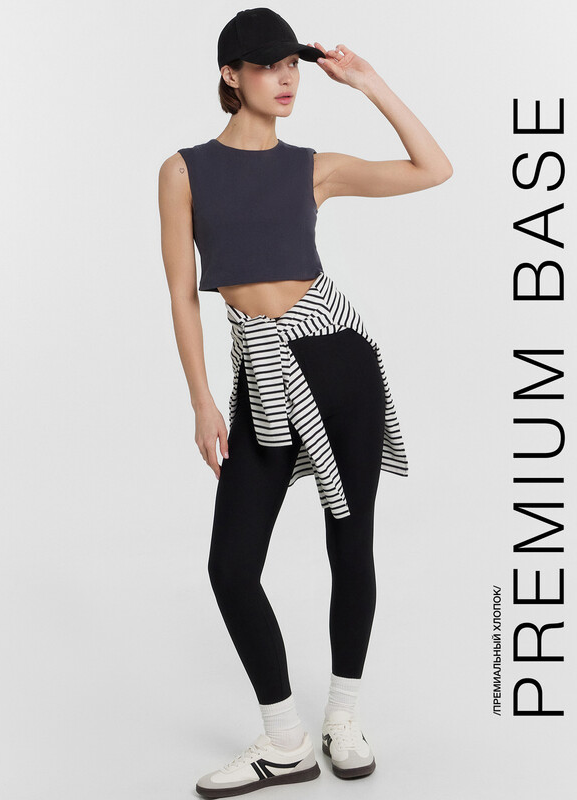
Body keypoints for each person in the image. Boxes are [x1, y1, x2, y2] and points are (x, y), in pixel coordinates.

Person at [158, 8, 452, 798]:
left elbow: (434, 168)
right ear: (231, 75)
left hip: (338, 361)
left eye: (293, 64)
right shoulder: (183, 171)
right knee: (231, 567)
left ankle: (344, 718)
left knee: (350, 547)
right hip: (260, 375)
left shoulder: (313, 167)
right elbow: (183, 296)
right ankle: (285, 741)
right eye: (267, 65)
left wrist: (367, 82)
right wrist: (200, 401)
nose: (287, 78)